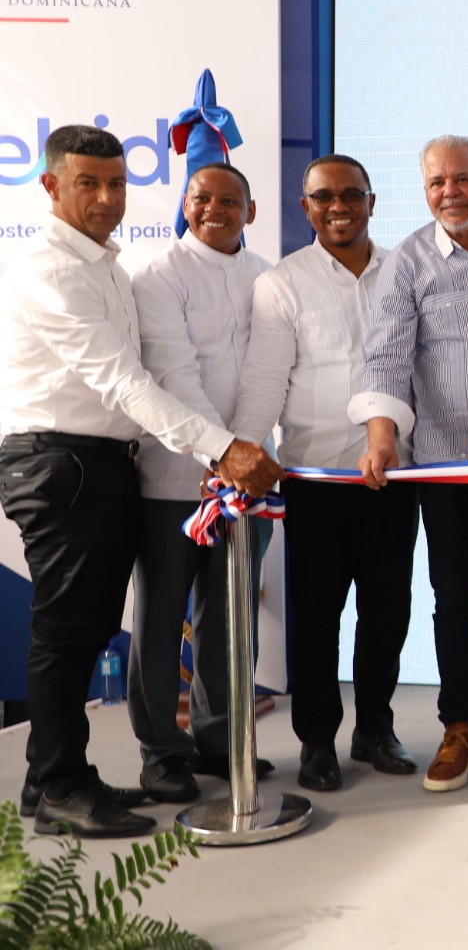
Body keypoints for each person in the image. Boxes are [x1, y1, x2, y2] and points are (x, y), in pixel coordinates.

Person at [0, 125, 281, 837]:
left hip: (101, 465)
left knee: (86, 627)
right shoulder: (55, 271)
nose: (105, 197)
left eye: (117, 183)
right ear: (51, 187)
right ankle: (62, 784)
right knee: (69, 634)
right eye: (88, 183)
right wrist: (223, 449)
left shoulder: (106, 266)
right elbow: (126, 381)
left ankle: (51, 777)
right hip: (59, 462)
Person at [349, 135, 468, 793]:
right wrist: (380, 437)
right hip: (445, 459)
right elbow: (386, 357)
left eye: (462, 179)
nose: (449, 192)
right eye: (436, 183)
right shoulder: (407, 262)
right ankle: (463, 726)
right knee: (455, 599)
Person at [233, 153, 420, 794]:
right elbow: (263, 381)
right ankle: (317, 741)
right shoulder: (281, 284)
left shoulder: (405, 270)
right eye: (323, 197)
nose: (338, 206)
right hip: (316, 480)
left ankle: (375, 729)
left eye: (351, 194)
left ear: (372, 201)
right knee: (317, 617)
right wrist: (242, 452)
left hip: (397, 477)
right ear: (305, 206)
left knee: (388, 612)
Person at [127, 162, 275, 805]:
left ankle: (219, 741)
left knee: (229, 617)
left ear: (251, 208)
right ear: (185, 204)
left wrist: (245, 453)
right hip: (174, 482)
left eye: (228, 200)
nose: (214, 209)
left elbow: (271, 374)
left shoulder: (267, 276)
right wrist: (224, 454)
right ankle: (162, 751)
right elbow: (174, 375)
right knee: (161, 619)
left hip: (248, 483)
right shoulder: (157, 275)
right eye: (201, 198)